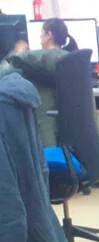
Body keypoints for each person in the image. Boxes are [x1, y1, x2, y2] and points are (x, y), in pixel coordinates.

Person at [4, 18, 78, 146]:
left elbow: (4, 73)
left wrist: (18, 52)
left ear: (49, 35)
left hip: (46, 130)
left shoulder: (34, 59)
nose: (40, 37)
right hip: (71, 135)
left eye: (41, 33)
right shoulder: (71, 58)